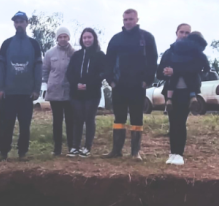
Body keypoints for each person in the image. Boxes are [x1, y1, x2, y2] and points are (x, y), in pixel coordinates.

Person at [103, 9, 158, 160]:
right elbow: (108, 61)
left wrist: (147, 80)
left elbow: (153, 60)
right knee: (119, 117)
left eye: (131, 19)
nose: (128, 22)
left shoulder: (146, 38)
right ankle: (116, 150)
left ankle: (135, 152)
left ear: (137, 19)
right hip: (119, 85)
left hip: (138, 85)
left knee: (136, 118)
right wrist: (111, 81)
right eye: (125, 19)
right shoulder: (116, 39)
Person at [0, 12, 43, 160]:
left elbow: (38, 68)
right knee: (7, 124)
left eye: (22, 21)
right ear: (14, 24)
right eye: (16, 22)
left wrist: (36, 89)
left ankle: (22, 152)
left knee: (24, 125)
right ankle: (4, 152)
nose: (19, 24)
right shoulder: (7, 44)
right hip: (9, 92)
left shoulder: (34, 44)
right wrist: (0, 88)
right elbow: (1, 68)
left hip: (26, 93)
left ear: (27, 23)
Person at [159, 30, 210, 165]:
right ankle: (173, 153)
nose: (184, 35)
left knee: (180, 122)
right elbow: (159, 73)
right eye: (182, 32)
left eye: (187, 32)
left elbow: (200, 69)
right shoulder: (169, 52)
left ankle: (179, 154)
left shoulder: (196, 54)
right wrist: (165, 72)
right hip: (171, 92)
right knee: (173, 123)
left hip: (186, 93)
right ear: (176, 33)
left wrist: (176, 71)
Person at [66, 28, 107, 156]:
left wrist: (89, 84)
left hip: (92, 93)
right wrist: (76, 84)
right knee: (77, 119)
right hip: (76, 93)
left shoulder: (100, 55)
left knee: (89, 119)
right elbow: (69, 73)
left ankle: (87, 147)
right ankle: (75, 147)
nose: (87, 40)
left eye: (89, 37)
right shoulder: (76, 55)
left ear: (94, 38)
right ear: (81, 40)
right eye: (84, 38)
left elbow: (103, 73)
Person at [42, 26, 75, 156]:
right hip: (55, 91)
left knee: (70, 120)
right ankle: (57, 148)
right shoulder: (50, 53)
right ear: (57, 38)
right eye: (60, 37)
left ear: (68, 38)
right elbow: (45, 70)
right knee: (57, 121)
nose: (62, 39)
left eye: (65, 36)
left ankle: (72, 147)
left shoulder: (74, 53)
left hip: (69, 91)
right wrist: (49, 83)